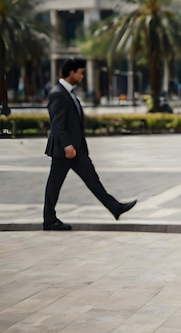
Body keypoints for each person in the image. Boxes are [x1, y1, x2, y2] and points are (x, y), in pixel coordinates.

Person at [43, 58, 137, 230]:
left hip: (76, 149)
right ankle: (49, 221)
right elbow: (57, 124)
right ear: (71, 73)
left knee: (93, 180)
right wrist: (66, 146)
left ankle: (115, 208)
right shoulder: (58, 93)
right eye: (80, 73)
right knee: (54, 185)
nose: (82, 76)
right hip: (66, 151)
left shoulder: (68, 92)